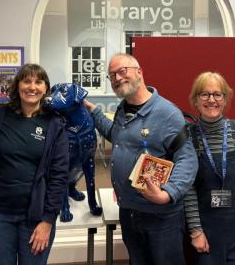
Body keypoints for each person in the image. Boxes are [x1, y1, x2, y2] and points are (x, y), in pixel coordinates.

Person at [84, 53, 198, 265]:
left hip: (161, 217)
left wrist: (167, 194)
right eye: (112, 75)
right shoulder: (123, 110)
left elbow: (188, 159)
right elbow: (118, 136)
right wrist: (94, 112)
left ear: (139, 72)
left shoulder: (167, 113)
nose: (117, 78)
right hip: (129, 212)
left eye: (122, 71)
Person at [0, 64, 69, 265]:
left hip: (35, 217)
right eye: (26, 81)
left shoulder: (54, 124)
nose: (32, 87)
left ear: (46, 88)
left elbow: (59, 175)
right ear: (17, 86)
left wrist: (47, 220)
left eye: (38, 82)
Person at [183, 72, 235, 265]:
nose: (212, 100)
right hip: (207, 229)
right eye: (205, 94)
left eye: (218, 94)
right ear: (195, 100)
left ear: (225, 99)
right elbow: (188, 189)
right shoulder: (187, 136)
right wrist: (195, 231)